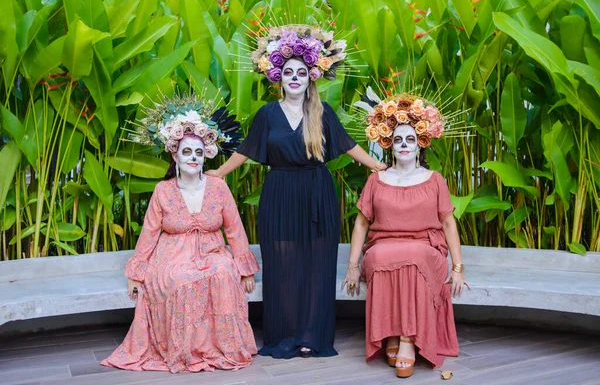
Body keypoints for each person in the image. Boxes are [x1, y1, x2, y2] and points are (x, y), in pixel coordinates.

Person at [206, 24, 386, 359]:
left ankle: (312, 336)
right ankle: (283, 336)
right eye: (288, 72)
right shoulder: (267, 115)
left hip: (317, 194)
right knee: (283, 265)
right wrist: (218, 171)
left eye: (300, 72)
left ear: (310, 77)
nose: (294, 78)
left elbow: (347, 146)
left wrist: (377, 167)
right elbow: (246, 150)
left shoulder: (322, 112)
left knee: (316, 264)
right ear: (278, 76)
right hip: (279, 194)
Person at [101, 94, 259, 373]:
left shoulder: (218, 187)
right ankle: (184, 350)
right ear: (175, 155)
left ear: (205, 155)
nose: (193, 158)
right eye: (187, 152)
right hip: (173, 254)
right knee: (181, 279)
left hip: (212, 250)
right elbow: (149, 234)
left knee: (223, 274)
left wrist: (245, 268)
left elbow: (234, 229)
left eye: (198, 153)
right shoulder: (163, 191)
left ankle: (221, 347)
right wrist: (136, 273)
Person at [343, 90, 470, 378]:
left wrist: (459, 268)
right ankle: (389, 333)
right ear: (390, 144)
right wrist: (352, 267)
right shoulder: (376, 179)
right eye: (398, 139)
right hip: (382, 247)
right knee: (383, 256)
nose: (403, 145)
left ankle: (406, 341)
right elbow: (361, 224)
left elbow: (449, 225)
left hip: (426, 249)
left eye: (410, 139)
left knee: (413, 257)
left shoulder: (434, 180)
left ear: (420, 144)